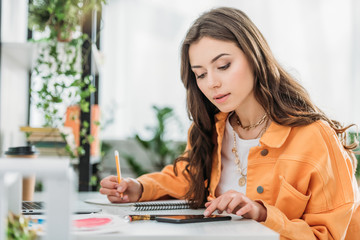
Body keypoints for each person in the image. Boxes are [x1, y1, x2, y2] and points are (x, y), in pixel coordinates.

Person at [100, 7, 360, 239]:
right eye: (200, 74)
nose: (211, 83)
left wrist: (261, 214)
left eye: (223, 66)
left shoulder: (314, 136)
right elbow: (186, 176)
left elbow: (329, 235)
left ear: (255, 56)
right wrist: (139, 188)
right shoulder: (213, 129)